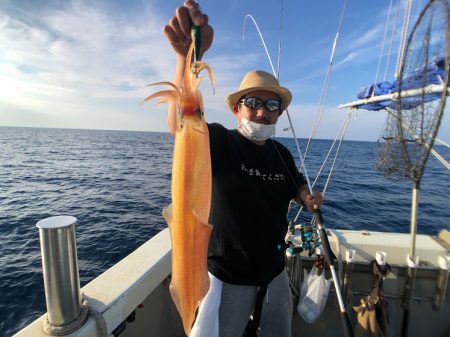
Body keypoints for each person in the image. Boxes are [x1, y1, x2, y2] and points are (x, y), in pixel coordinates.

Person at [163, 2, 323, 336]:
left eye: (272, 105)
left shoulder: (281, 153)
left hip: (274, 274)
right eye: (253, 103)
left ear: (279, 114)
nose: (262, 112)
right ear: (237, 110)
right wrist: (186, 59)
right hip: (225, 278)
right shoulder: (219, 141)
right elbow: (183, 125)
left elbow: (295, 186)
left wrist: (306, 196)